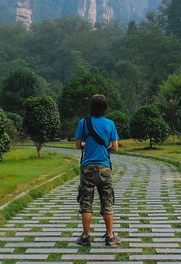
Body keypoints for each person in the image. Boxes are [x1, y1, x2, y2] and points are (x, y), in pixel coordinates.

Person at [74, 94, 121, 247]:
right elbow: (115, 147)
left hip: (87, 168)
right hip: (104, 168)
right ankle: (109, 236)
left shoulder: (83, 123)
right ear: (105, 107)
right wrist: (105, 147)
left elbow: (77, 145)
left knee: (86, 203)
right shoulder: (110, 124)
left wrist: (85, 145)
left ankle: (86, 236)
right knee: (107, 202)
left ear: (91, 107)